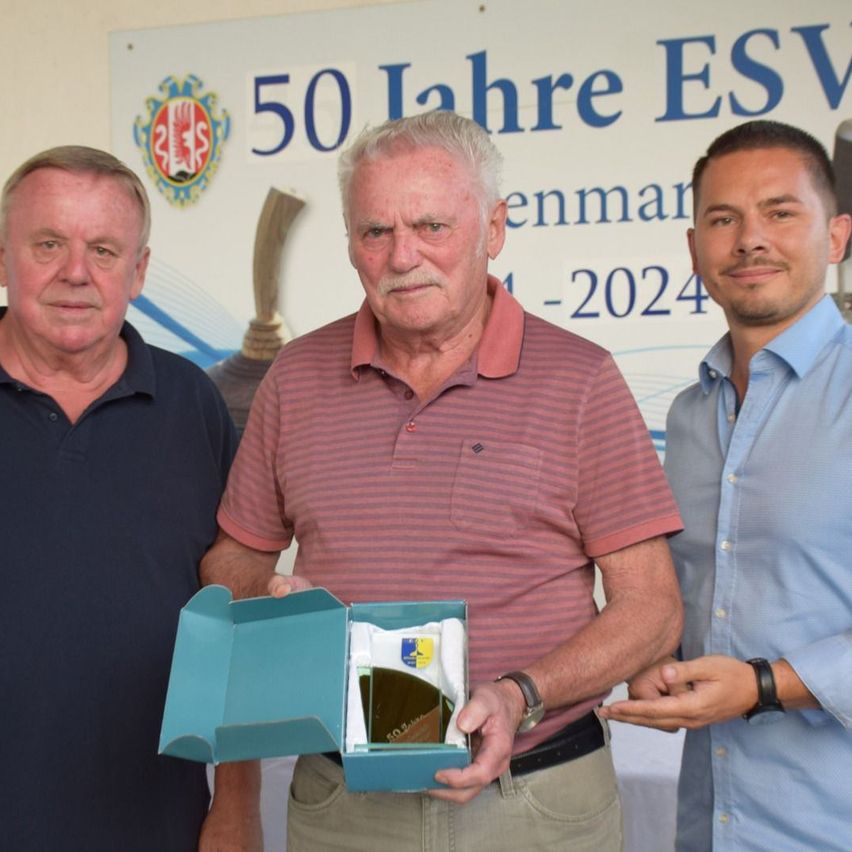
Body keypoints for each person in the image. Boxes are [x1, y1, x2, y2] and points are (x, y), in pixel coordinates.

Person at [201, 111, 683, 851]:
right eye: (375, 232)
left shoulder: (580, 380)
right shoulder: (293, 379)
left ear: (493, 228)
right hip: (343, 808)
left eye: (431, 225)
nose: (403, 256)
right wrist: (273, 618)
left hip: (537, 802)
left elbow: (652, 609)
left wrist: (522, 692)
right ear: (351, 244)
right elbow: (233, 563)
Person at [0, 146, 260, 851]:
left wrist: (235, 806)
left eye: (105, 250)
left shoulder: (194, 406)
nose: (75, 272)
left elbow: (236, 614)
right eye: (48, 243)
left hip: (157, 825)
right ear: (3, 256)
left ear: (139, 272)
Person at [601, 120, 852, 851]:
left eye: (780, 212)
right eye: (723, 219)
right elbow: (682, 596)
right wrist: (652, 656)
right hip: (712, 824)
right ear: (694, 250)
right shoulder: (686, 416)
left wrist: (765, 685)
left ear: (836, 237)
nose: (749, 239)